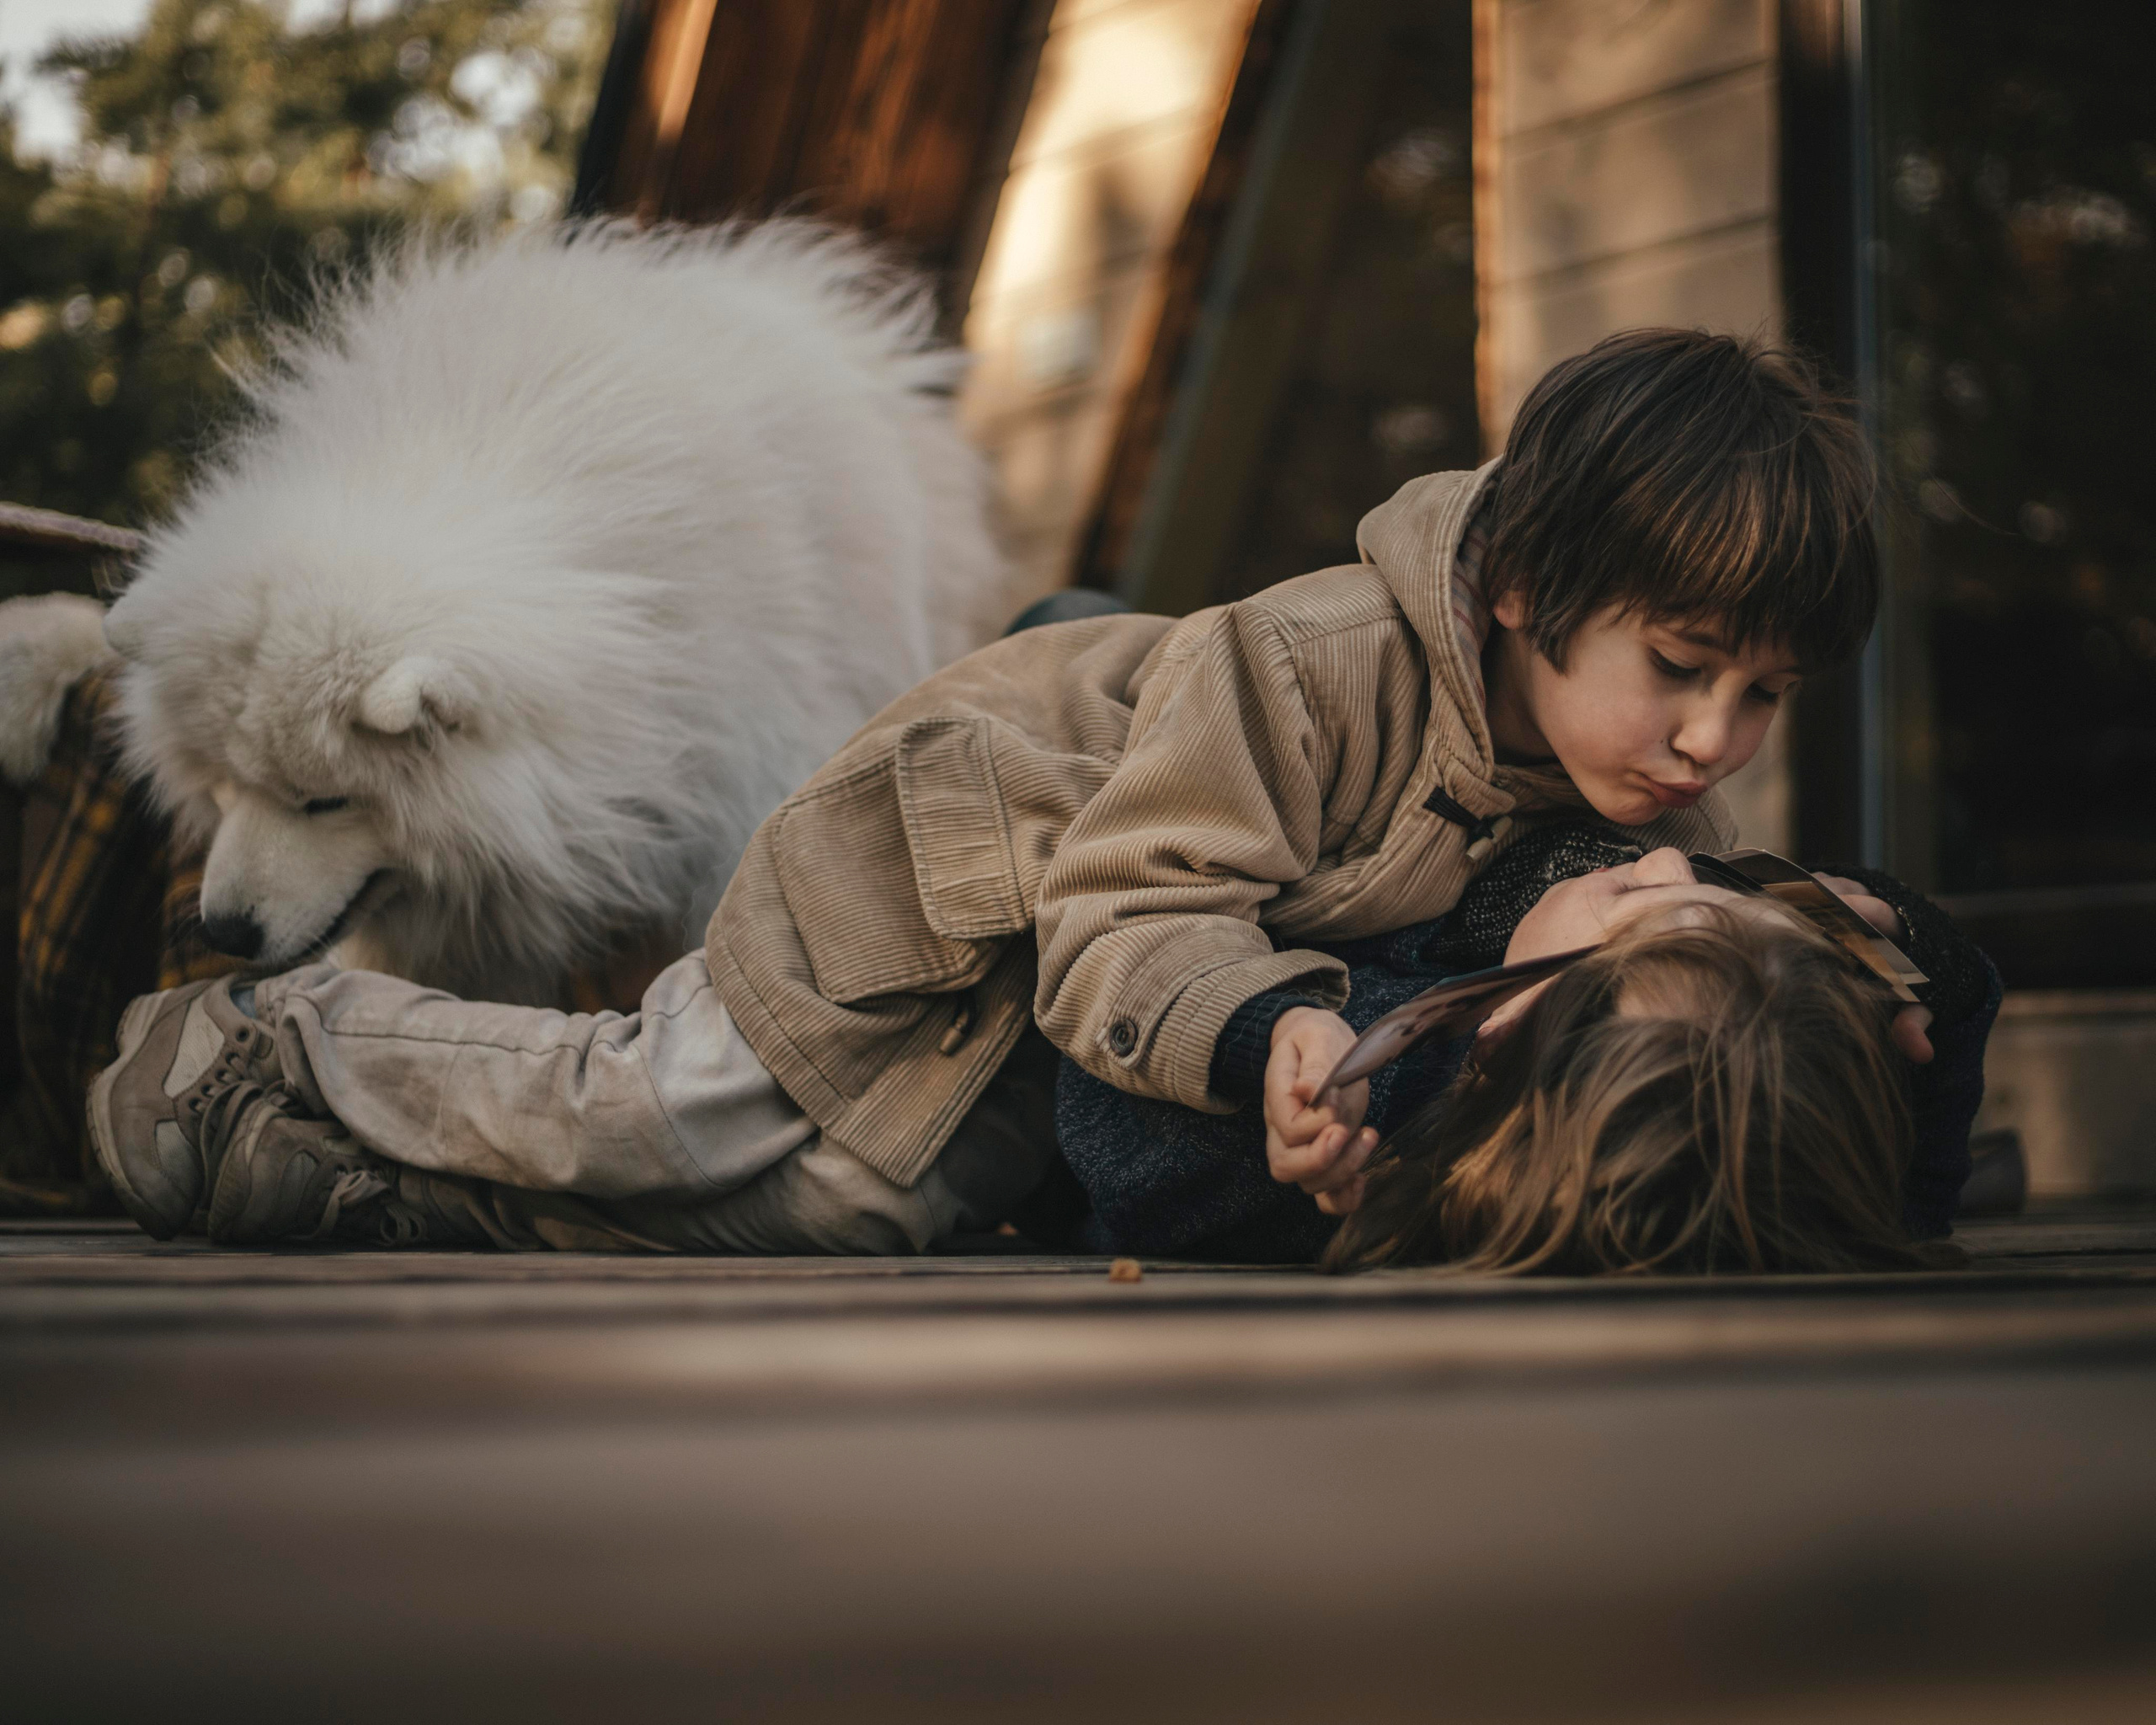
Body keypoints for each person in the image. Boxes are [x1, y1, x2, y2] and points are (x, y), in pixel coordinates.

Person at [85, 328, 1886, 1255]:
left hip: (1041, 1010)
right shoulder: (1317, 661)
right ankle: (270, 1043)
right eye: (1680, 666)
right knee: (653, 1115)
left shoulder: (1630, 799)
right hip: (921, 878)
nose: (1711, 740)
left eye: (1762, 695)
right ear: (1522, 591)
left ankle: (313, 1169)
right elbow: (1129, 902)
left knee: (837, 1222)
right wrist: (1273, 1027)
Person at [1055, 824, 2001, 1270]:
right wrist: (1906, 948)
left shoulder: (1353, 1119)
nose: (1667, 857)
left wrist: (1265, 1036)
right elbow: (1957, 1017)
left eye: (1636, 898)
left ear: (1501, 1029)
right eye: (1734, 887)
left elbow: (1085, 1093)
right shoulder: (1825, 1186)